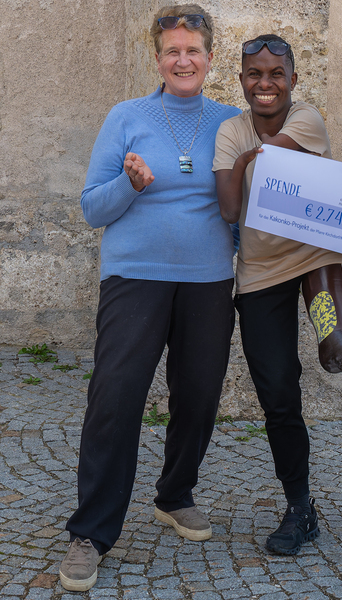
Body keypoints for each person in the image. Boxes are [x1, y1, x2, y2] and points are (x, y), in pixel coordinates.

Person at [59, 5, 240, 592]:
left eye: (193, 50)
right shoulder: (126, 116)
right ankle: (90, 531)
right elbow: (93, 208)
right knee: (115, 394)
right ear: (157, 59)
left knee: (198, 393)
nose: (182, 60)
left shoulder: (234, 123)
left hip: (209, 278)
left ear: (210, 58)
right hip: (135, 274)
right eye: (171, 52)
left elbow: (247, 209)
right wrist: (129, 185)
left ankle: (174, 495)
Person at [213, 34, 342, 555]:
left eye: (276, 73)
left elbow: (270, 165)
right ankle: (301, 507)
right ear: (242, 81)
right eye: (255, 74)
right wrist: (253, 157)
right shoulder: (231, 128)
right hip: (261, 271)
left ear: (293, 79)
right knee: (277, 390)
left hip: (316, 258)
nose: (265, 83)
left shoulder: (308, 118)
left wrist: (248, 158)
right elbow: (230, 209)